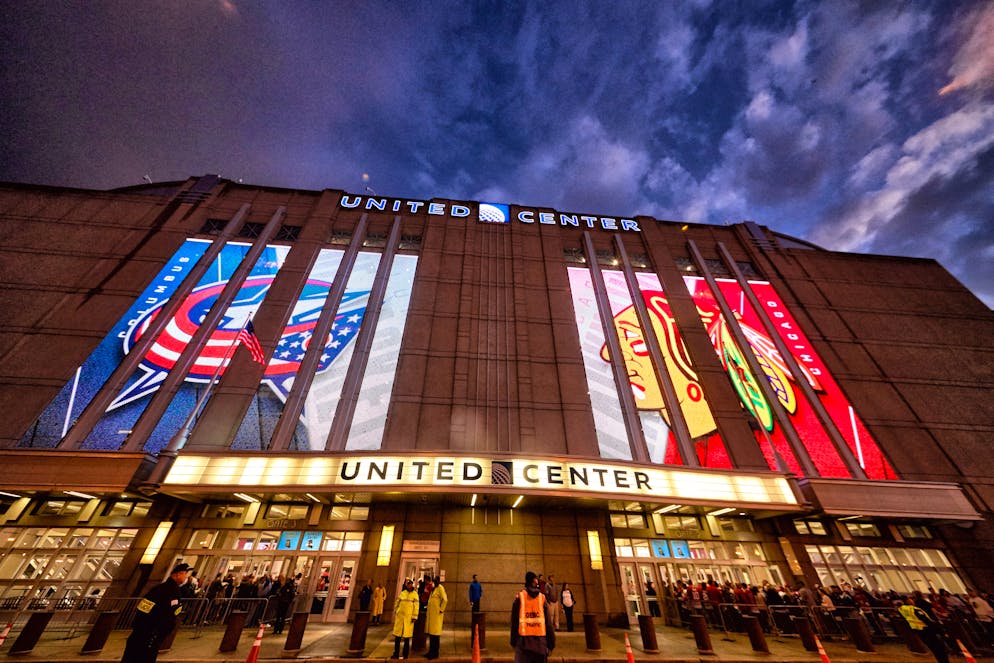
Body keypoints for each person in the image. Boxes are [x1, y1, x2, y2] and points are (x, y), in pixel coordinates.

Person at [120, 563, 190, 663]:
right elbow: (169, 615)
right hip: (151, 635)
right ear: (178, 574)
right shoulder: (172, 591)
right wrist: (160, 634)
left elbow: (142, 609)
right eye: (185, 575)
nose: (185, 578)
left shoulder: (158, 588)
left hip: (139, 633)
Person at [510, 571, 556, 663]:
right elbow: (548, 624)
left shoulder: (520, 598)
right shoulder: (542, 599)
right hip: (540, 644)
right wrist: (551, 643)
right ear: (534, 581)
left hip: (523, 645)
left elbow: (514, 622)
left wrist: (513, 641)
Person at [899, 596, 949, 663]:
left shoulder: (902, 609)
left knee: (934, 649)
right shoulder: (915, 609)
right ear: (907, 601)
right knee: (940, 649)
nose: (912, 600)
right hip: (927, 629)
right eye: (910, 599)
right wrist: (940, 631)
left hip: (919, 631)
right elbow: (926, 620)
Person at [392, 578, 418, 659]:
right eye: (408, 584)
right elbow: (397, 602)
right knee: (397, 637)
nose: (409, 585)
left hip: (408, 618)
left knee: (407, 637)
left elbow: (416, 607)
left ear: (412, 585)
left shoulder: (415, 594)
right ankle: (396, 653)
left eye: (410, 584)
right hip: (400, 618)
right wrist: (396, 610)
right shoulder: (403, 593)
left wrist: (414, 616)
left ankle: (405, 654)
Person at [426, 576, 448, 659]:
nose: (435, 581)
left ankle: (435, 653)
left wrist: (441, 609)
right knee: (432, 635)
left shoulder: (440, 588)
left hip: (437, 615)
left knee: (435, 636)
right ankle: (431, 651)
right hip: (432, 615)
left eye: (436, 580)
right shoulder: (434, 589)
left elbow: (445, 599)